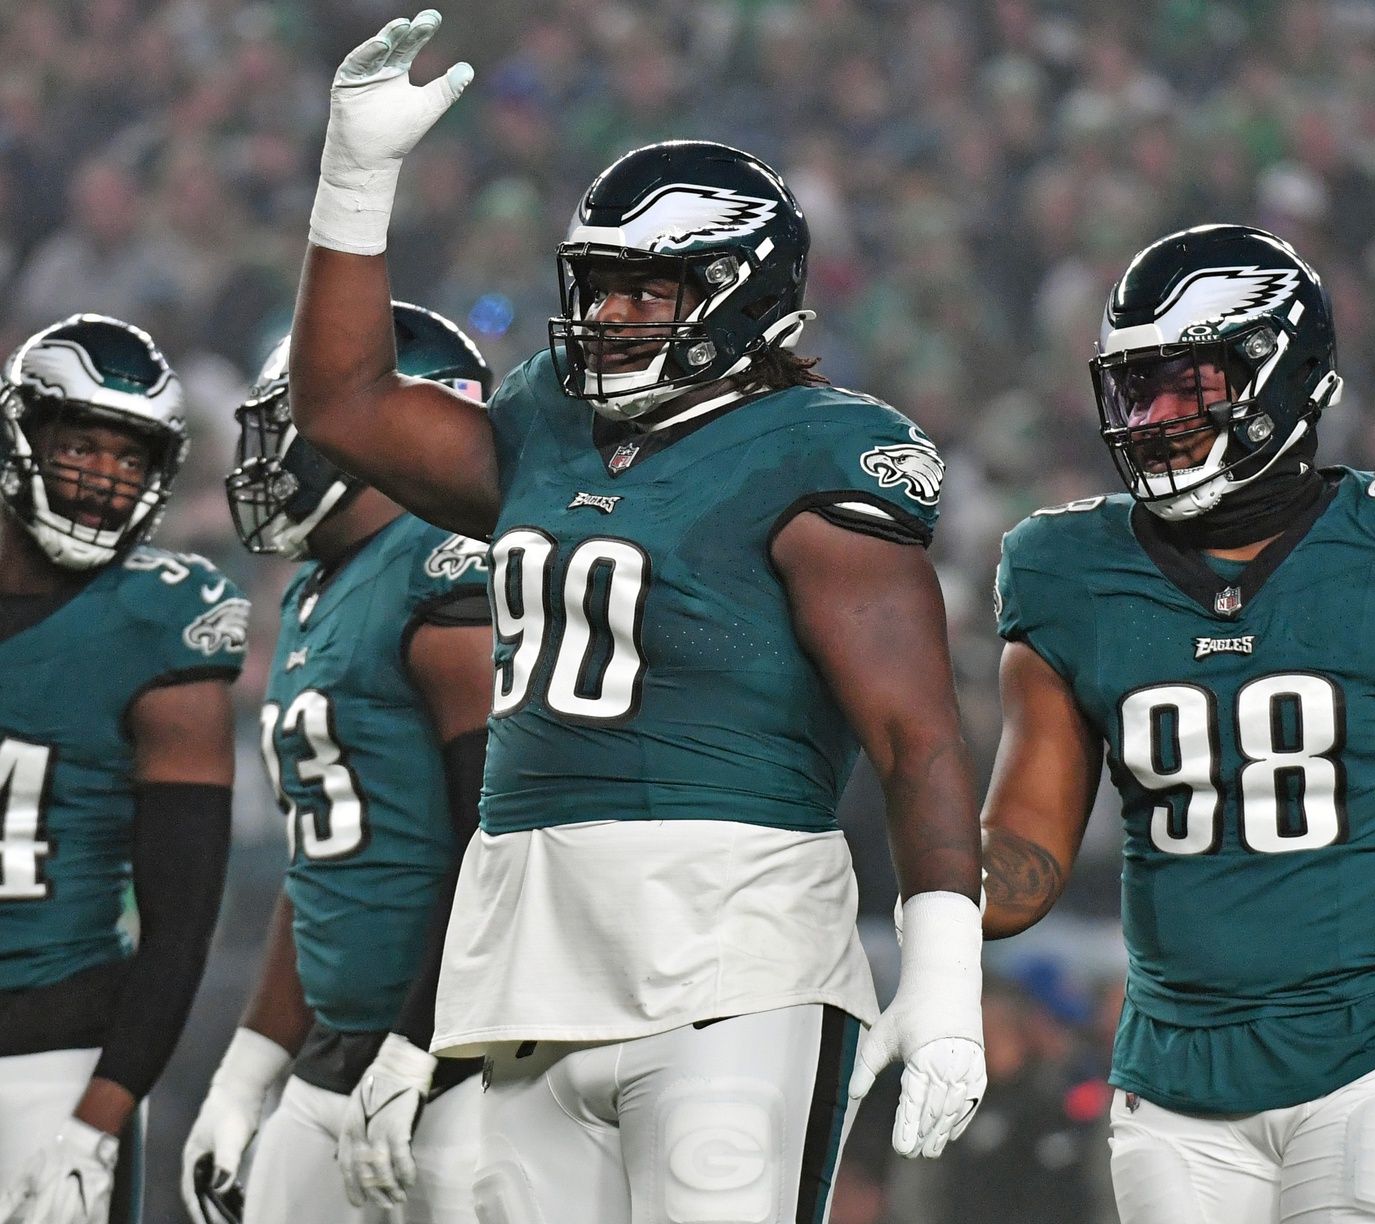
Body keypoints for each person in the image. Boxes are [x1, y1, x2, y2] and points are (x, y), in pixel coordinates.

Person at [285, 12, 985, 1223]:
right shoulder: (551, 415)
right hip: (523, 951)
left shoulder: (819, 450)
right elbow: (343, 407)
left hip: (731, 948)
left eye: (643, 292)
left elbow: (916, 735)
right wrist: (356, 179)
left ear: (741, 293)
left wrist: (946, 977)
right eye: (598, 290)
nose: (605, 320)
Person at [980, 224, 1375, 1224]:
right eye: (1134, 391)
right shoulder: (1068, 571)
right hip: (1174, 1080)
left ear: (1279, 375)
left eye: (1184, 386)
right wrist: (909, 931)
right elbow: (1019, 862)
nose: (1152, 420)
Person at [179, 303, 495, 1224]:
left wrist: (423, 1044)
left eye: (304, 420)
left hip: (456, 1065)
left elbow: (500, 839)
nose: (280, 451)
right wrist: (246, 1072)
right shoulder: (323, 590)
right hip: (335, 1056)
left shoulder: (448, 567)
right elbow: (325, 865)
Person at [0, 315, 243, 1223]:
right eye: (83, 448)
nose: (105, 478)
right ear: (23, 435)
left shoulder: (155, 622)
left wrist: (96, 1121)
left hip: (48, 1055)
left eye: (130, 459)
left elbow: (182, 925)